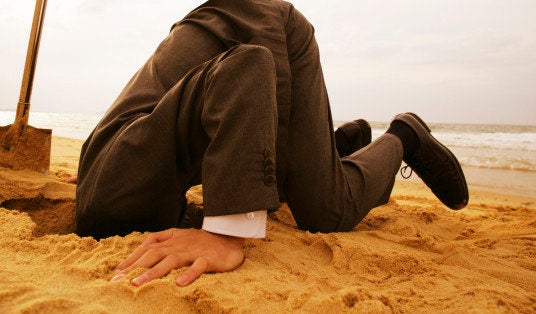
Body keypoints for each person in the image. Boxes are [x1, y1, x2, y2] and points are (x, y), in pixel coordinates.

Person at [74, 0, 468, 287]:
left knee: (325, 210)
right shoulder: (108, 173)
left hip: (268, 25)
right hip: (213, 26)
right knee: (278, 179)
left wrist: (226, 233)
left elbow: (249, 65)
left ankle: (404, 136)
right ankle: (333, 148)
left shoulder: (116, 193)